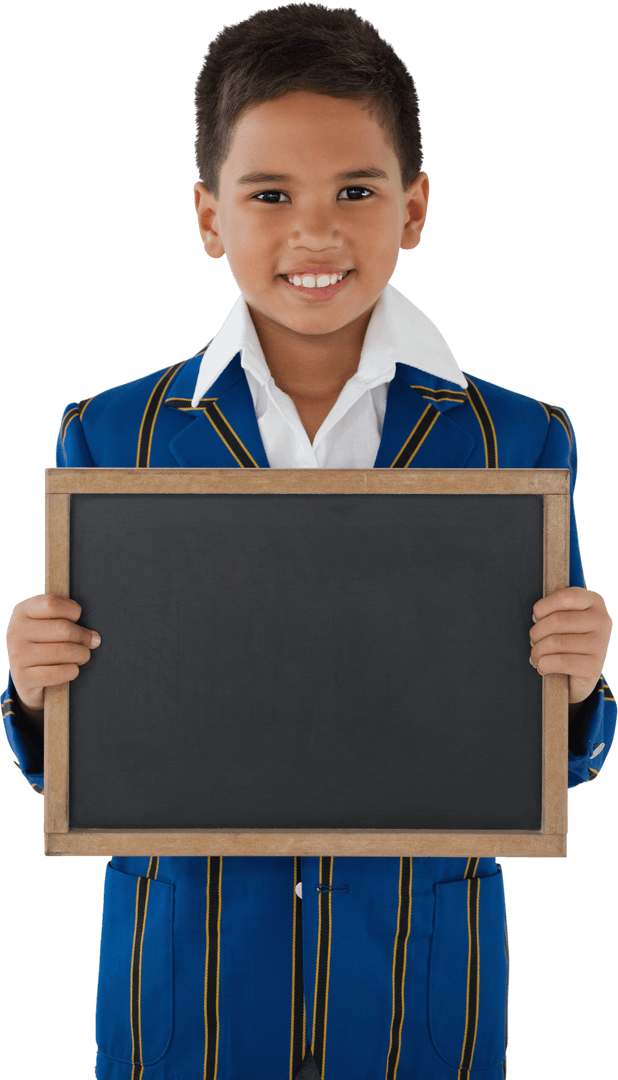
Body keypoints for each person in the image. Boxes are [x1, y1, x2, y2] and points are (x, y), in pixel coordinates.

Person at [2, 5, 614, 1078]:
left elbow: (547, 755)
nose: (316, 234)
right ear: (209, 215)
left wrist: (581, 676)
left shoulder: (515, 440)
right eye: (271, 194)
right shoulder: (111, 434)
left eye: (356, 192)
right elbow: (90, 753)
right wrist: (29, 682)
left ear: (414, 207)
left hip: (417, 970)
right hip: (187, 977)